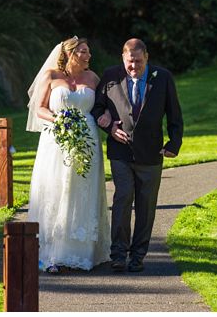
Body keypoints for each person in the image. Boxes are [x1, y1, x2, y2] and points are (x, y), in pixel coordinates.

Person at [93, 38, 183, 272]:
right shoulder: (111, 76)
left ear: (147, 58)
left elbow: (174, 115)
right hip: (120, 152)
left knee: (146, 206)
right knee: (123, 199)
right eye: (130, 62)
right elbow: (96, 107)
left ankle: (138, 255)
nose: (133, 67)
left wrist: (174, 143)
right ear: (123, 58)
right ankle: (118, 254)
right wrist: (109, 127)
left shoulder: (162, 77)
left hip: (152, 152)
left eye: (138, 62)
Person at [25, 36, 111, 271]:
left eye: (88, 51)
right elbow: (39, 107)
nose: (88, 56)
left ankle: (83, 251)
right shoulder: (51, 76)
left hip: (88, 139)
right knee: (56, 189)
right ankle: (51, 253)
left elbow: (103, 107)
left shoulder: (93, 78)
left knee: (83, 190)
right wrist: (60, 120)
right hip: (57, 139)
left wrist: (106, 117)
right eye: (84, 51)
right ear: (71, 54)